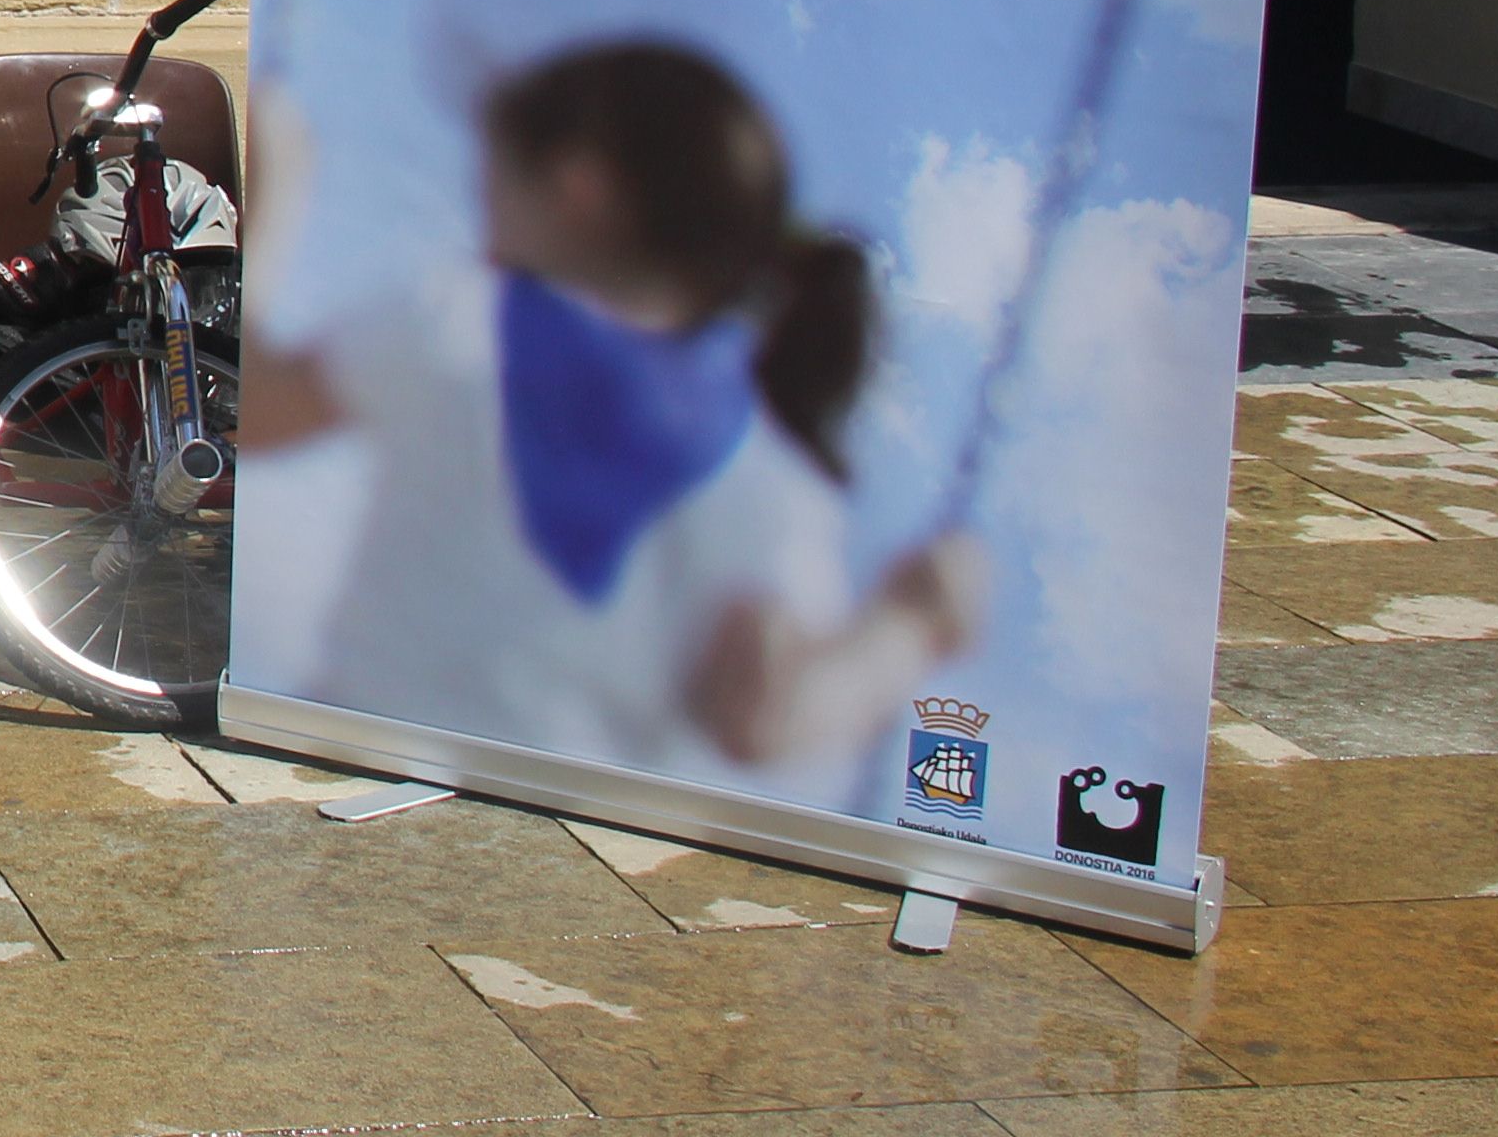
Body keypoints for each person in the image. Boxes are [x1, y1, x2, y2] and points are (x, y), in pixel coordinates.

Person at [238, 39, 980, 802]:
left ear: (576, 188)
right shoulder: (764, 475)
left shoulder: (455, 322)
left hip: (367, 778)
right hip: (575, 842)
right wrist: (910, 624)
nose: (483, 223)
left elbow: (248, 408)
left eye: (494, 188)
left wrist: (274, 191)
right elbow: (763, 718)